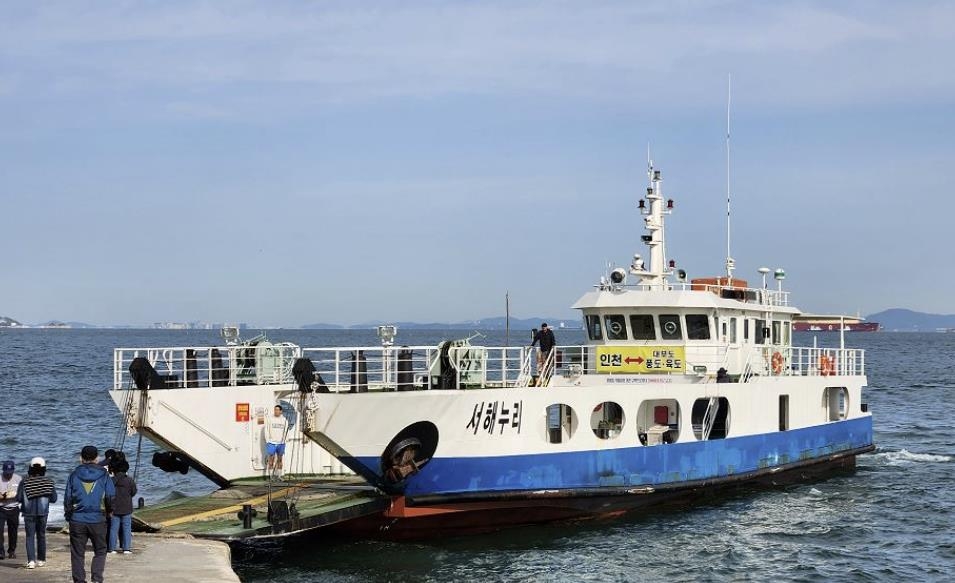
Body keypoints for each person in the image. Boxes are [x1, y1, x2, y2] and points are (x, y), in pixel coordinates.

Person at [65, 445, 115, 583]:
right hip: (98, 519)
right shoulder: (104, 475)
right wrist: (110, 511)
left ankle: (79, 581)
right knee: (100, 551)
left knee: (77, 553)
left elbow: (68, 498)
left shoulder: (73, 475)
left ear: (81, 458)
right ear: (97, 458)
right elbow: (110, 496)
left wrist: (68, 516)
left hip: (77, 519)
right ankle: (97, 579)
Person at [16, 457, 56, 569]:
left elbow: (18, 498)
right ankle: (41, 560)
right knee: (41, 535)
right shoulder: (49, 481)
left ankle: (31, 561)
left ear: (30, 468)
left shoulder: (24, 482)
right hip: (43, 513)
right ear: (44, 468)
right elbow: (53, 499)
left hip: (28, 513)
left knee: (29, 536)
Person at [108, 460, 137, 555]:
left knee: (113, 529)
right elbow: (133, 492)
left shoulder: (111, 481)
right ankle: (126, 548)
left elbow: (108, 496)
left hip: (113, 509)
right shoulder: (129, 480)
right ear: (126, 469)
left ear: (114, 470)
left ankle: (111, 549)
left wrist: (109, 508)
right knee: (127, 528)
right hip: (127, 508)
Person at [0, 460, 22, 560]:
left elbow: (22, 494)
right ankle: (1, 552)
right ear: (3, 470)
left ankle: (12, 551)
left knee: (13, 530)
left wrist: (17, 496)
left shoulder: (18, 479)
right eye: (6, 473)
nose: (8, 475)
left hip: (14, 508)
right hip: (1, 508)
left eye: (10, 472)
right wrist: (4, 496)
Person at [265, 404, 290, 480]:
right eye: (275, 410)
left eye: (277, 410)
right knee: (271, 459)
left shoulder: (284, 420)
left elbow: (287, 431)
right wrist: (268, 440)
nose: (276, 411)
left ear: (281, 411)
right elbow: (266, 430)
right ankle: (271, 477)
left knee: (280, 459)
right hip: (271, 443)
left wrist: (285, 441)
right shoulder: (269, 419)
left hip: (281, 443)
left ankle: (279, 476)